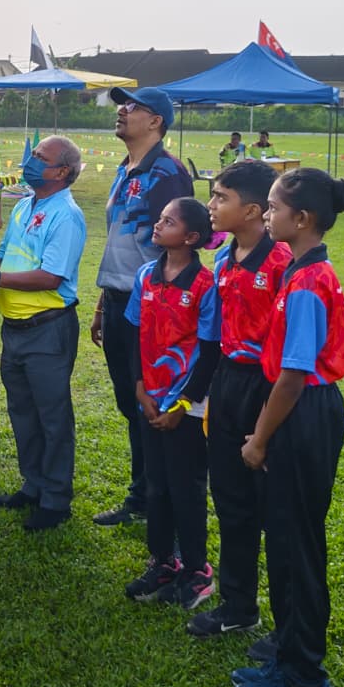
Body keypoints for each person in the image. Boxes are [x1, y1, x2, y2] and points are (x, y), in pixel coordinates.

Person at [231, 169, 344, 687]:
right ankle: (288, 657)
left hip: (303, 414)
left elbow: (292, 375)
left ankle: (305, 686)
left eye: (275, 208)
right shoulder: (304, 271)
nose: (266, 215)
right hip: (303, 410)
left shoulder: (307, 283)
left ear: (300, 220)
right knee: (287, 542)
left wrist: (259, 439)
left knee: (296, 546)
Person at [186, 161, 292, 642]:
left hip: (268, 389)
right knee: (229, 498)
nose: (210, 206)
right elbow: (212, 338)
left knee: (274, 507)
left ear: (253, 210)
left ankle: (289, 622)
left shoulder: (283, 263)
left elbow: (292, 349)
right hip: (227, 383)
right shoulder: (224, 260)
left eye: (220, 197)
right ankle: (238, 604)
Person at [0, 136, 86, 530]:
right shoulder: (23, 205)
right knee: (23, 412)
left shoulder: (65, 215)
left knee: (52, 417)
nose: (30, 162)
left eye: (40, 157)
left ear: (61, 171)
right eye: (32, 155)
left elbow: (51, 276)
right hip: (14, 329)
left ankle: (55, 499)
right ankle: (33, 484)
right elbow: (4, 249)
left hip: (48, 330)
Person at [91, 86, 194, 525]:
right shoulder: (125, 168)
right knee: (129, 401)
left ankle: (156, 500)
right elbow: (120, 242)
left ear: (156, 121)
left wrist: (164, 313)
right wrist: (102, 302)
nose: (121, 111)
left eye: (131, 106)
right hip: (118, 302)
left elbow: (181, 250)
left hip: (151, 310)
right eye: (121, 105)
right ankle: (144, 494)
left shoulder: (167, 174)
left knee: (150, 403)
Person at [123, 198, 219, 609]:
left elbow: (212, 351)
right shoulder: (146, 275)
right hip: (151, 400)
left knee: (187, 488)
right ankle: (162, 561)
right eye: (159, 219)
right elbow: (133, 335)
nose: (158, 225)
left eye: (168, 221)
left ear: (192, 237)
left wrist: (183, 403)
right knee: (157, 486)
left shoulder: (205, 285)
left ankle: (197, 569)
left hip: (187, 406)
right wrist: (141, 389)